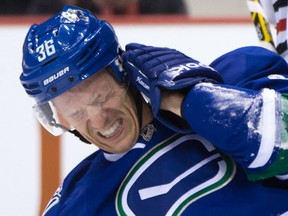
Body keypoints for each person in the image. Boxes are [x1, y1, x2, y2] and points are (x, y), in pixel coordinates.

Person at [19, 5, 288, 216]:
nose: (99, 120)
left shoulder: (238, 75)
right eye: (76, 114)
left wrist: (185, 99)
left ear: (124, 73)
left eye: (102, 97)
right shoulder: (78, 203)